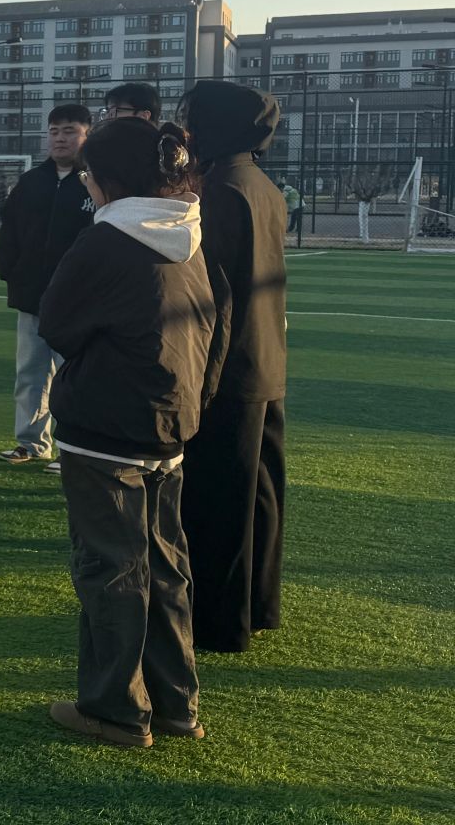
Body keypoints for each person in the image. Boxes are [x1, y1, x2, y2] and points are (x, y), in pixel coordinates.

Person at [36, 118, 225, 748]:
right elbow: (216, 325)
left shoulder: (107, 237)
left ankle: (115, 709)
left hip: (104, 428)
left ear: (105, 179)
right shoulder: (190, 232)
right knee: (166, 567)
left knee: (111, 569)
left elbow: (57, 324)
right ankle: (175, 705)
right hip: (171, 425)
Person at [180, 80, 289, 654]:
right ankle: (260, 604)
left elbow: (213, 293)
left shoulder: (219, 189)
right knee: (261, 493)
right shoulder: (262, 185)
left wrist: (203, 377)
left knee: (219, 498)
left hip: (229, 364)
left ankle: (219, 623)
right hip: (266, 356)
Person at [0, 103, 95, 467]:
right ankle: (31, 443)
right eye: (54, 132)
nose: (59, 139)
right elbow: (9, 234)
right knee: (30, 374)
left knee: (75, 376)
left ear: (87, 135)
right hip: (33, 296)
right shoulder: (31, 182)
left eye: (69, 131)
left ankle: (73, 447)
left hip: (79, 302)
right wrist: (13, 273)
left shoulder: (97, 182)